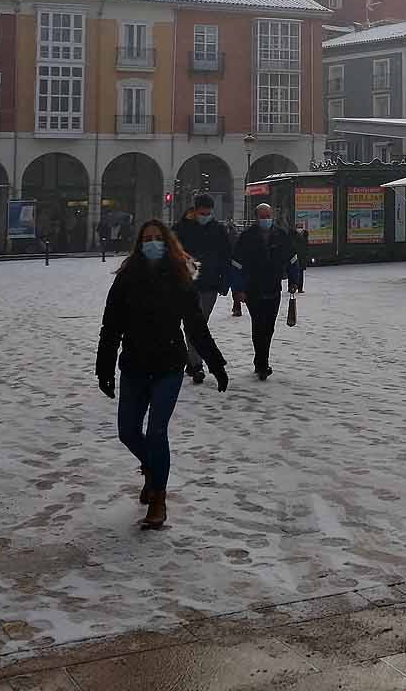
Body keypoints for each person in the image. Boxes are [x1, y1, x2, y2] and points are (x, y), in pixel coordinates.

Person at [96, 220, 228, 530]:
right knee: (128, 432)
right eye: (147, 239)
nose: (152, 243)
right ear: (139, 244)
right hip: (134, 365)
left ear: (167, 242)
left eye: (158, 238)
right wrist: (104, 368)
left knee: (156, 432)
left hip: (168, 365)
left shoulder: (178, 276)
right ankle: (153, 469)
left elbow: (196, 326)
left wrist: (216, 364)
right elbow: (111, 326)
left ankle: (158, 497)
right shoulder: (127, 278)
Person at [172, 194, 233, 384]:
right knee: (194, 325)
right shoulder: (182, 227)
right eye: (202, 212)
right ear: (195, 210)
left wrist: (224, 282)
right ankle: (196, 365)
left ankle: (191, 361)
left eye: (208, 212)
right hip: (187, 283)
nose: (205, 215)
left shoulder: (219, 230)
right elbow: (172, 252)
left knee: (199, 324)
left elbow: (226, 257)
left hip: (209, 284)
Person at [233, 204, 291, 379]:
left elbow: (292, 258)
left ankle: (261, 360)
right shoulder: (247, 237)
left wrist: (294, 280)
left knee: (269, 327)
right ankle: (262, 364)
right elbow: (236, 265)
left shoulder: (280, 235)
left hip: (273, 289)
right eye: (262, 216)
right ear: (256, 218)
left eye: (268, 216)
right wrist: (238, 289)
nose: (266, 219)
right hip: (253, 290)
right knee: (259, 325)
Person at [288, 221, 309, 294]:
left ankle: (299, 288)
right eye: (298, 227)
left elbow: (306, 247)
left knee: (300, 273)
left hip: (301, 257)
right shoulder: (293, 235)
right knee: (292, 272)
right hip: (294, 256)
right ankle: (291, 287)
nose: (299, 229)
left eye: (301, 227)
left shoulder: (304, 235)